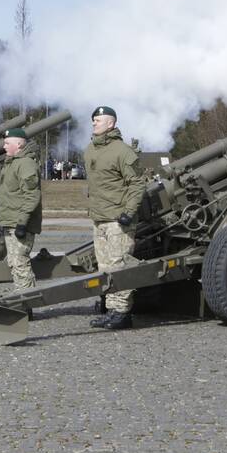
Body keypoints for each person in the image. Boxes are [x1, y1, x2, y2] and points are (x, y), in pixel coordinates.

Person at [84, 106, 146, 330]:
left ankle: (122, 313)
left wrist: (128, 212)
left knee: (120, 265)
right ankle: (111, 310)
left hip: (118, 220)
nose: (94, 123)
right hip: (99, 219)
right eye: (93, 120)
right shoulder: (90, 149)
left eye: (98, 120)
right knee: (104, 267)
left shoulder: (123, 151)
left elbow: (137, 183)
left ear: (111, 123)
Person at [0, 127, 42, 292]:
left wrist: (22, 223)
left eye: (7, 143)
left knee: (20, 264)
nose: (4, 146)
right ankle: (22, 299)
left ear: (19, 144)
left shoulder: (25, 164)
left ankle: (26, 304)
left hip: (20, 224)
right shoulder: (12, 163)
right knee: (15, 263)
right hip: (11, 222)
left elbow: (31, 196)